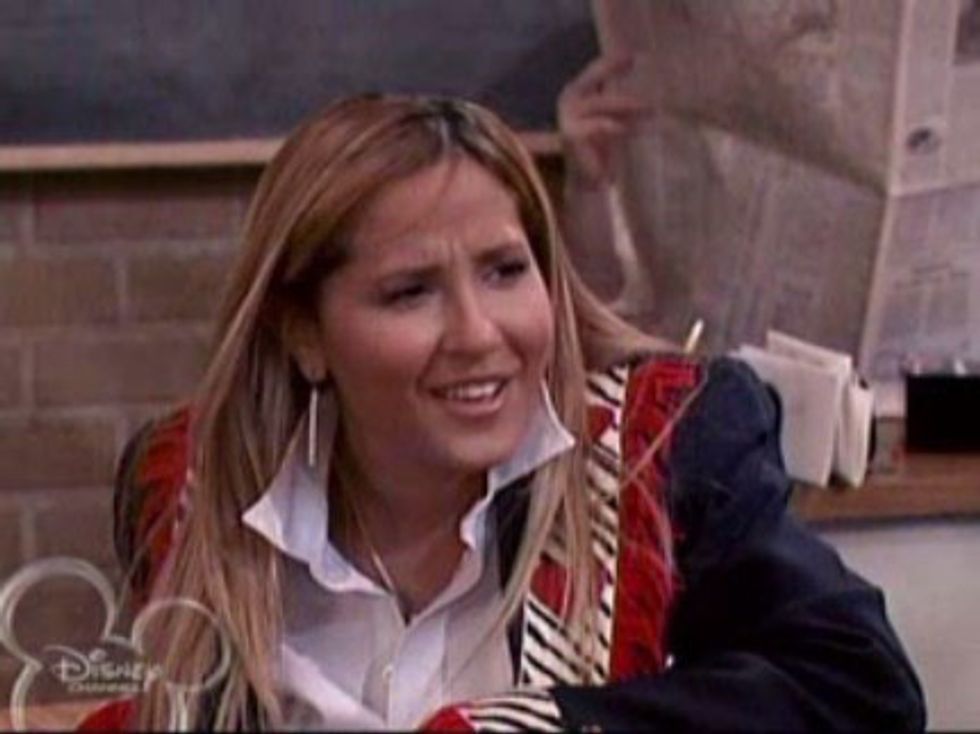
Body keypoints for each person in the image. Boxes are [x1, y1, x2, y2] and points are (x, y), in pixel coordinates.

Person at [81, 62, 924, 732]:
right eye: (410, 291)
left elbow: (861, 690)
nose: (480, 332)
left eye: (505, 271)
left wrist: (534, 726)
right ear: (304, 332)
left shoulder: (664, 448)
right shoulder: (192, 486)